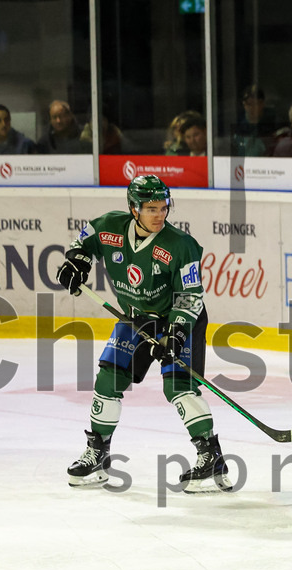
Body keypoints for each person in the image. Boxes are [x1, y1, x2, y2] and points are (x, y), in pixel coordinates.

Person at [54, 175, 229, 493]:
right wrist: (76, 261)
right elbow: (84, 242)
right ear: (133, 209)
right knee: (109, 377)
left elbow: (190, 296)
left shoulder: (181, 245)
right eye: (151, 208)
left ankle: (210, 456)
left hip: (179, 319)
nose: (159, 215)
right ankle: (98, 452)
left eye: (163, 207)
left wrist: (174, 336)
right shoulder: (109, 226)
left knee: (178, 386)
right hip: (136, 319)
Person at [232, 84, 278, 156]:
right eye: (248, 104)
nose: (251, 108)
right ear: (244, 105)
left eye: (255, 103)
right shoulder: (238, 127)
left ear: (262, 103)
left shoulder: (273, 125)